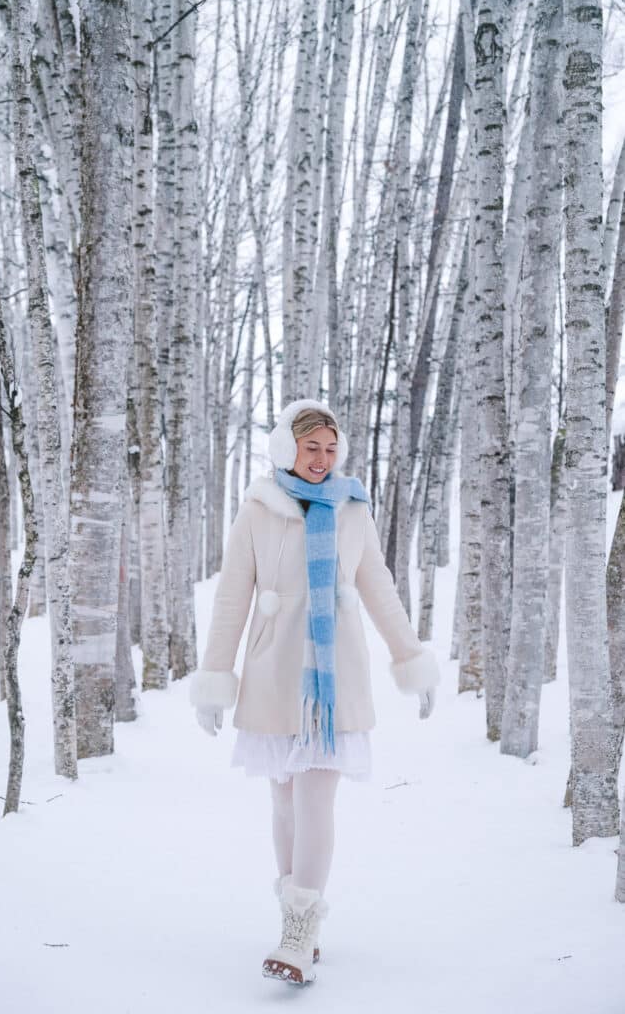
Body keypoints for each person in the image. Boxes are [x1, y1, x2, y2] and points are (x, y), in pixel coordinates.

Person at [189, 398, 439, 985]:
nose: (322, 459)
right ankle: (295, 920)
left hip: (334, 680)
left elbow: (379, 586)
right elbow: (232, 598)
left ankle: (299, 934)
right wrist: (215, 678)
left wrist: (410, 658)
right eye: (311, 448)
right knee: (283, 803)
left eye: (330, 448)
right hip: (275, 673)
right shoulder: (258, 510)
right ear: (287, 449)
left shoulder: (353, 509)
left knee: (314, 801)